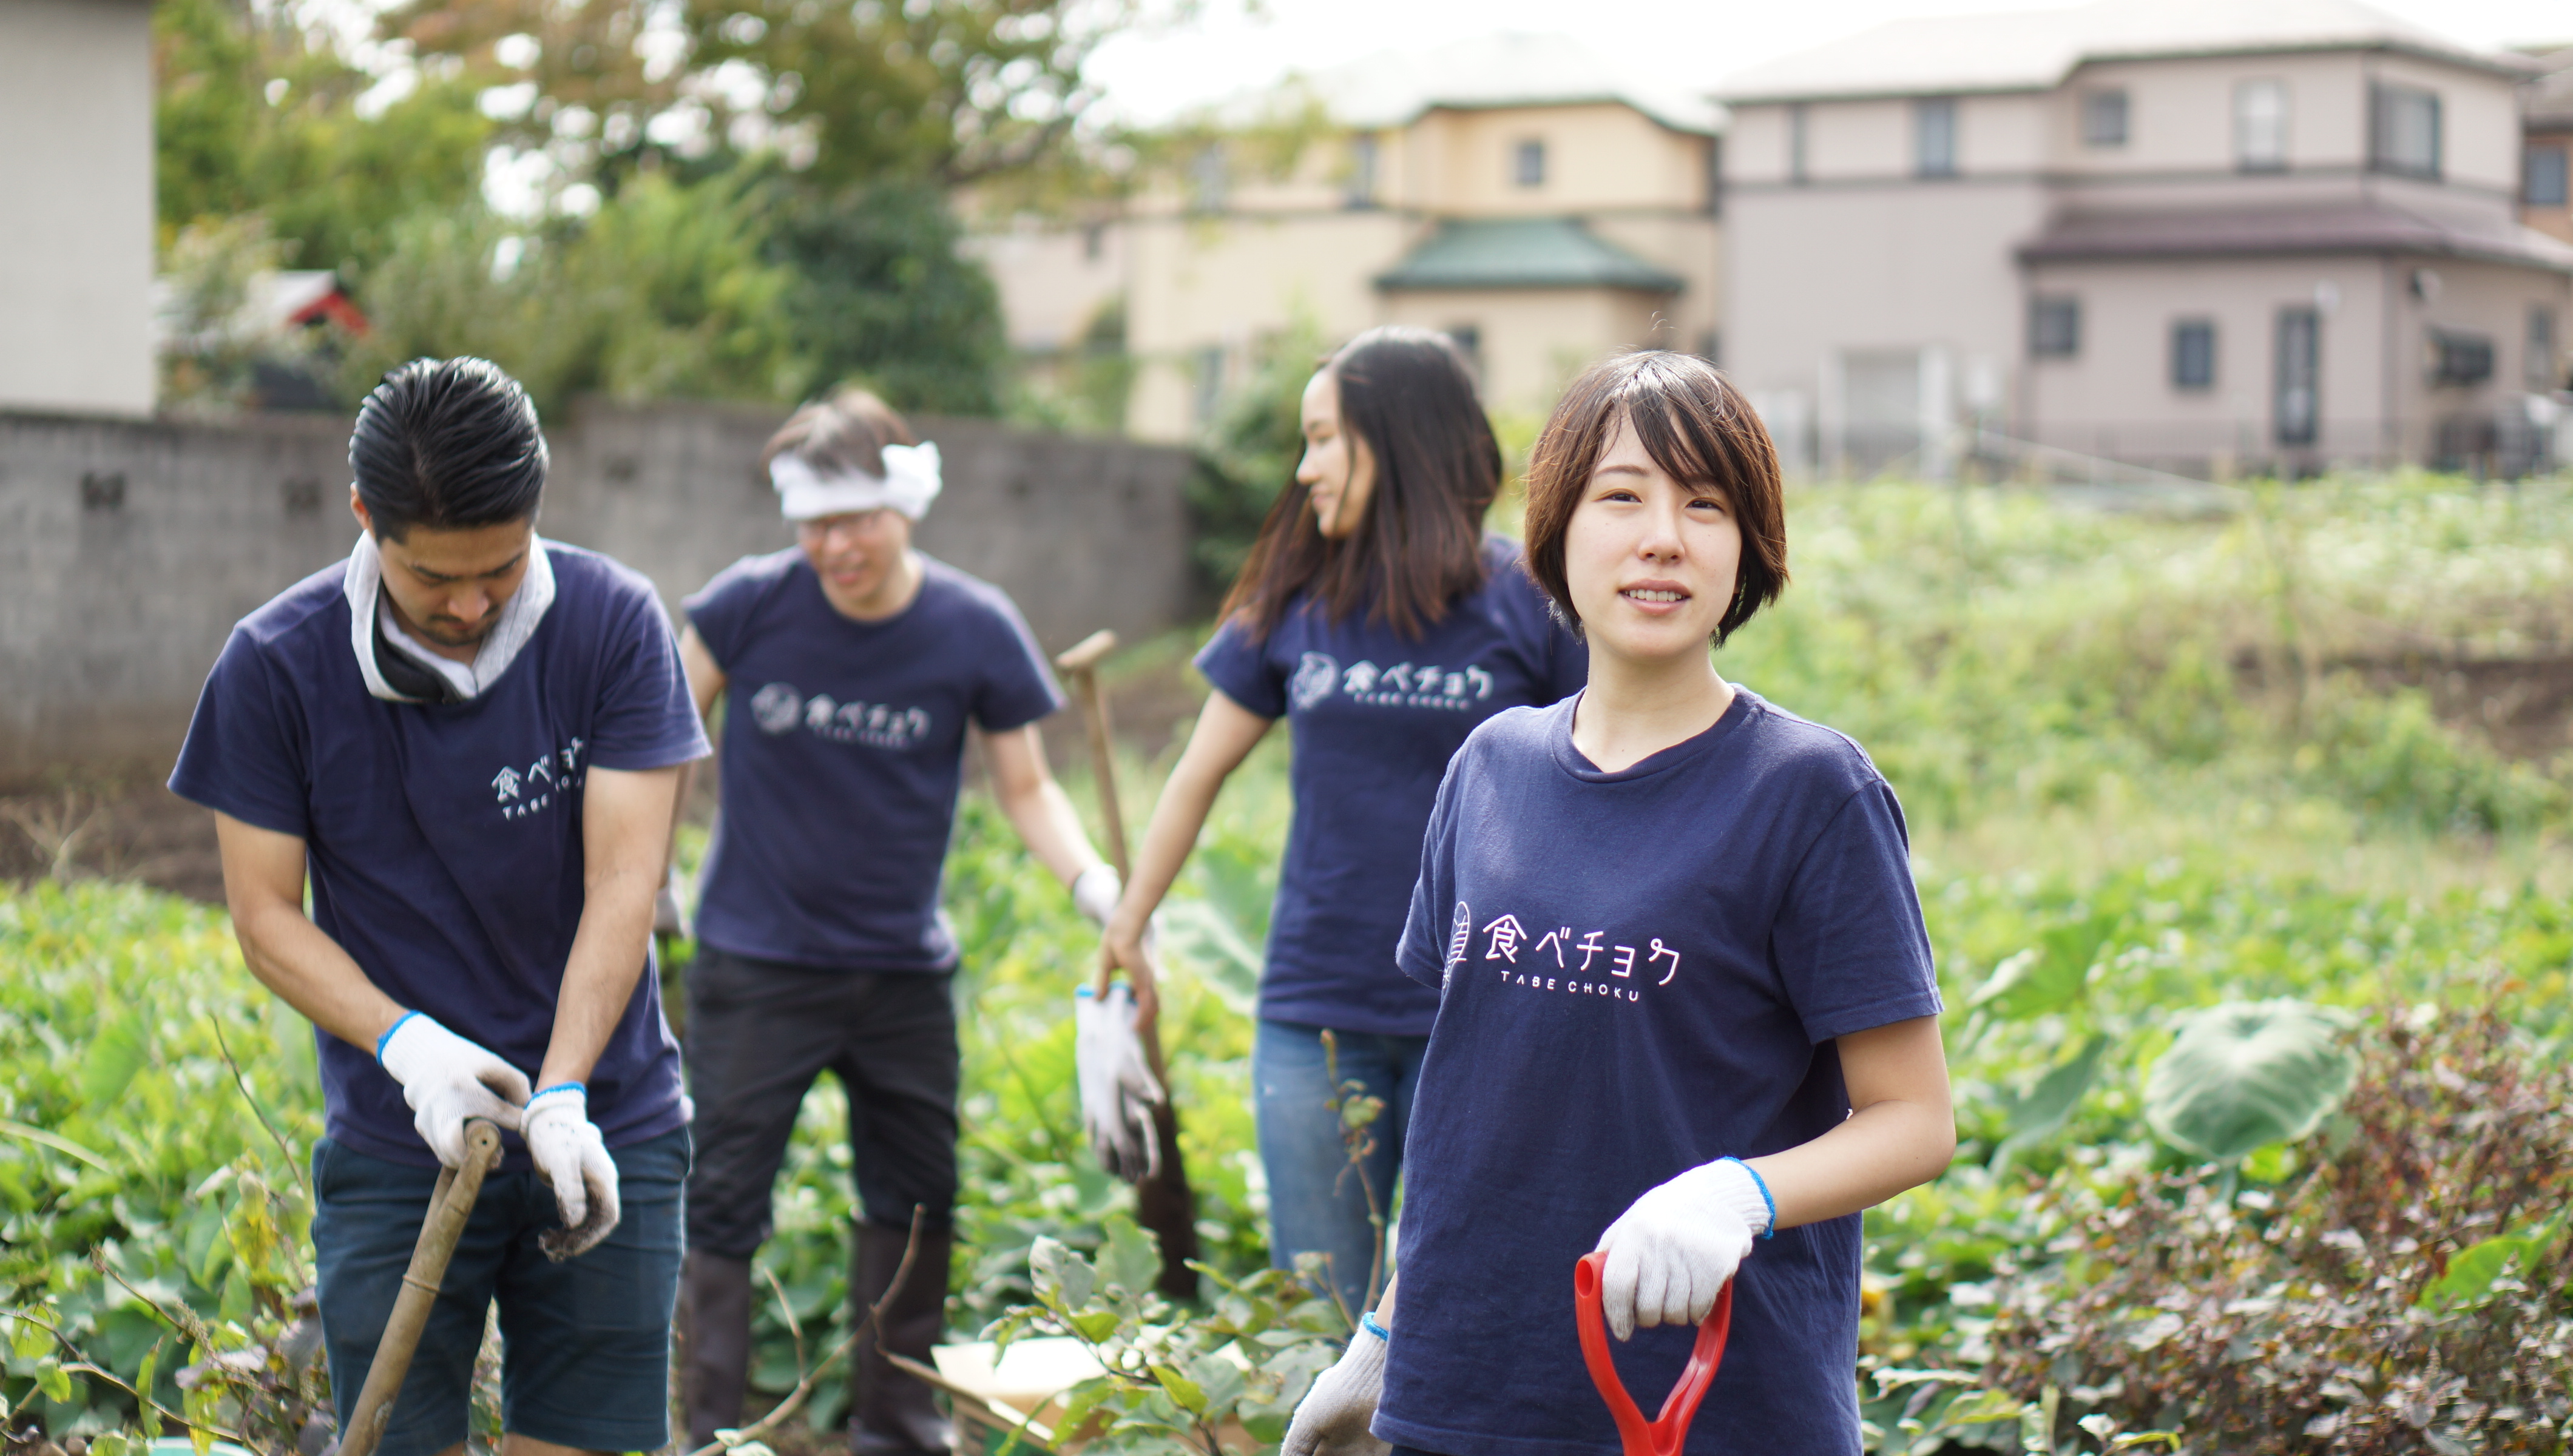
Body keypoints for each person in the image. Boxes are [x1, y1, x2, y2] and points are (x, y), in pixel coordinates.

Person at [1282, 351, 1956, 1456]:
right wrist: (1384, 1336)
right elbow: (1477, 1117)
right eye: (1623, 497)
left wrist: (1737, 1195)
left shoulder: (1810, 792)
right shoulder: (1489, 767)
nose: (1663, 538)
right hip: (1469, 1391)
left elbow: (1914, 1120)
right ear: (1557, 533)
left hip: (1713, 1402)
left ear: (1749, 550)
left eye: (1706, 505)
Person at [169, 357, 708, 1456]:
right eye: (434, 579)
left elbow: (624, 880)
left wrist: (561, 1094)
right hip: (395, 1144)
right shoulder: (276, 665)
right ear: (365, 516)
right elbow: (267, 916)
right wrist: (408, 1047)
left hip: (610, 1126)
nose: (471, 605)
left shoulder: (610, 623)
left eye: (501, 571)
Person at [1100, 326, 1587, 1320]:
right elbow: (1197, 773)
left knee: (1466, 1311)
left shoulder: (1532, 602)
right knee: (1322, 1314)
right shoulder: (1295, 601)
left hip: (1490, 1009)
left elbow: (1615, 782)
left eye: (1323, 439)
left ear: (1399, 441)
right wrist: (1129, 922)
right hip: (1316, 1011)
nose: (1303, 468)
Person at [675, 391, 1121, 1455]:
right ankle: (708, 1432)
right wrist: (642, 884)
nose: (835, 548)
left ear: (906, 504)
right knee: (723, 1194)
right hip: (754, 964)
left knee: (918, 1195)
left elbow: (1026, 788)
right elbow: (661, 741)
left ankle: (897, 1427)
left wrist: (1097, 887)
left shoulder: (971, 626)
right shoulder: (743, 608)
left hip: (900, 975)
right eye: (814, 526)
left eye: (856, 521)